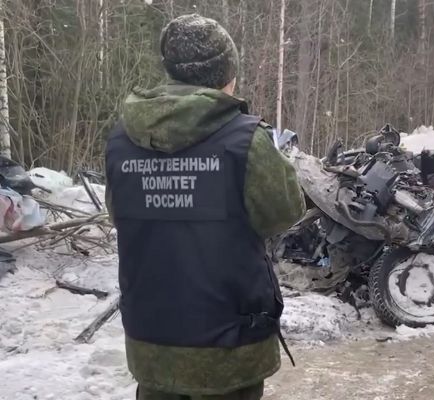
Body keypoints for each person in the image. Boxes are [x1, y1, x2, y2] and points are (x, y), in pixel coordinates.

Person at [104, 14, 306, 400]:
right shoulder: (246, 140)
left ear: (170, 71)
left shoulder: (122, 140)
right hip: (229, 347)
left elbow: (121, 215)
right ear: (226, 76)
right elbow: (284, 213)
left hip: (152, 341)